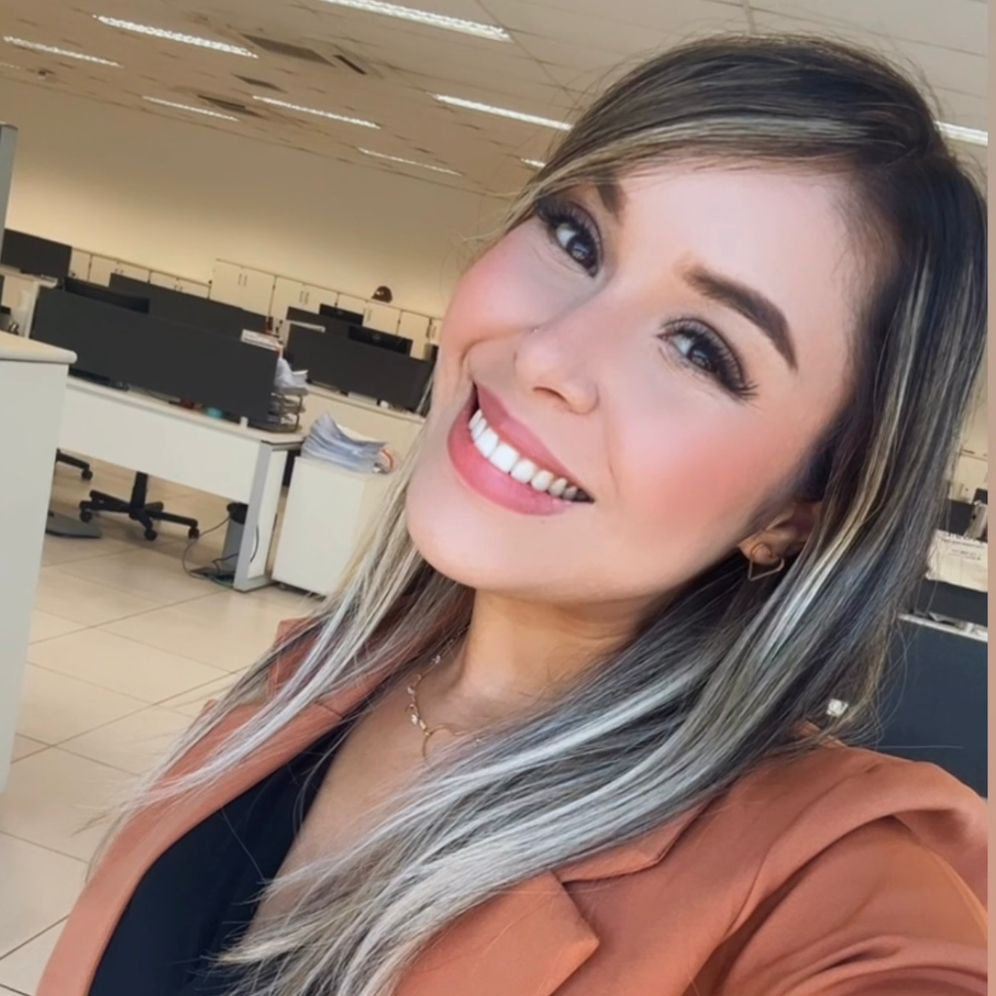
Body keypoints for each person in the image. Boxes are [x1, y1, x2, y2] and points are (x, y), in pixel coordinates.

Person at [41, 32, 986, 996]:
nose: (548, 354)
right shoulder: (316, 674)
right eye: (578, 239)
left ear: (804, 511)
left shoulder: (822, 886)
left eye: (701, 347)